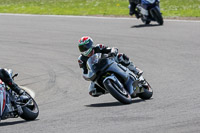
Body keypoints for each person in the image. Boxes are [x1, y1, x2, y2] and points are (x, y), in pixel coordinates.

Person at [78, 36, 143, 97]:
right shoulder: (81, 59)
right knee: (92, 91)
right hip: (97, 72)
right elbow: (85, 71)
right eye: (81, 48)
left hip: (109, 63)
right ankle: (111, 88)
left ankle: (135, 70)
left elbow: (113, 49)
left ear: (90, 45)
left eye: (85, 47)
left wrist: (112, 52)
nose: (83, 49)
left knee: (120, 56)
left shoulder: (99, 47)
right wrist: (86, 77)